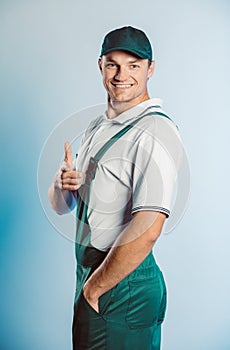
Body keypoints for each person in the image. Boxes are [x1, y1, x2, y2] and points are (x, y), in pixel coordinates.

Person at [48, 26, 183, 350]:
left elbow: (148, 227)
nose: (122, 75)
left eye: (134, 65)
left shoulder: (155, 131)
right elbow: (60, 205)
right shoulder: (98, 126)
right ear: (100, 66)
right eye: (113, 64)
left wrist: (95, 290)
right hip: (93, 276)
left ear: (151, 69)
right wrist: (62, 182)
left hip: (123, 286)